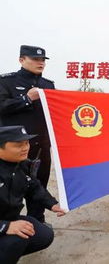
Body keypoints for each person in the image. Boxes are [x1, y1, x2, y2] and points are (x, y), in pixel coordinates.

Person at [0, 45, 55, 223]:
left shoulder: (48, 85)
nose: (40, 63)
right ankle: (8, 224)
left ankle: (37, 221)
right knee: (11, 187)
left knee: (39, 184)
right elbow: (2, 107)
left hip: (41, 146)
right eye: (35, 59)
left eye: (42, 60)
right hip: (12, 147)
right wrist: (27, 99)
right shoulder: (6, 82)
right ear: (22, 60)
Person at [0, 126, 66, 263]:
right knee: (16, 240)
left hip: (9, 217)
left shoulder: (22, 164)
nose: (25, 148)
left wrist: (52, 204)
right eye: (18, 145)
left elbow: (34, 187)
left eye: (26, 143)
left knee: (43, 235)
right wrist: (6, 227)